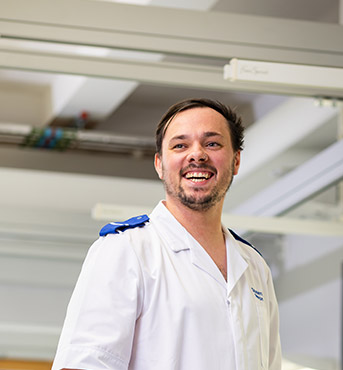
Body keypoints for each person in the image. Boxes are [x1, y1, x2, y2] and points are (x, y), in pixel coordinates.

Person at [52, 98, 281, 370]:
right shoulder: (127, 250)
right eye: (180, 145)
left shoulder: (255, 268)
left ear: (236, 160)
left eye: (212, 143)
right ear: (159, 164)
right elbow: (83, 364)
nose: (197, 154)